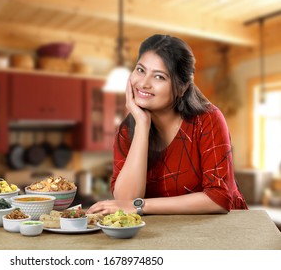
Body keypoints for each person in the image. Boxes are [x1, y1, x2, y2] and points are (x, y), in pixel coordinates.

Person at [87, 34, 248, 216]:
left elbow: (218, 198)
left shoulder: (207, 120)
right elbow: (125, 201)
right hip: (168, 233)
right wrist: (142, 124)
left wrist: (141, 206)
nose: (144, 83)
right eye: (140, 70)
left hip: (227, 229)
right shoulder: (126, 131)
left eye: (159, 77)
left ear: (182, 88)